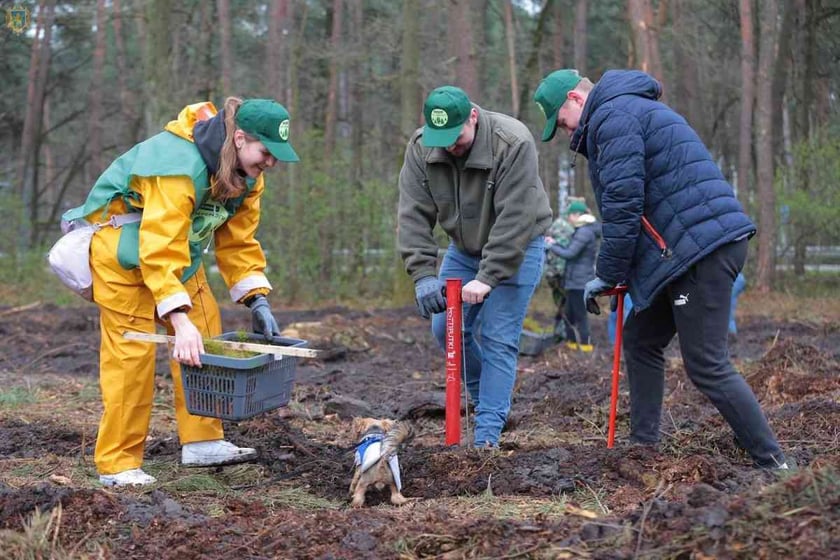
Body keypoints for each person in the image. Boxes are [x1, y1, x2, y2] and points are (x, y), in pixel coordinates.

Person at [534, 69, 789, 469]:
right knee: (640, 339)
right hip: (681, 250)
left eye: (563, 122)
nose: (567, 133)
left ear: (576, 99)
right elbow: (641, 209)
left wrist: (607, 272)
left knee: (706, 364)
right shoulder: (623, 111)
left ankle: (774, 463)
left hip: (700, 249)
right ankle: (643, 448)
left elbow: (624, 205)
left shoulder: (613, 117)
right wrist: (621, 274)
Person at [62, 98, 299, 486]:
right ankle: (118, 463)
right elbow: (157, 247)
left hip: (178, 254)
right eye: (266, 152)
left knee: (204, 331)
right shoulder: (178, 168)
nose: (271, 162)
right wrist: (177, 318)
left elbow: (238, 241)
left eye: (277, 155)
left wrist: (256, 297)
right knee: (131, 358)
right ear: (240, 138)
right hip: (121, 255)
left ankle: (202, 440)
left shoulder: (248, 174)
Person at [398, 85, 553, 449]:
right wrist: (423, 274)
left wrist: (489, 276)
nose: (450, 146)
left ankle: (486, 437)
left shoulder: (512, 142)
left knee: (498, 336)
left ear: (473, 117)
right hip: (464, 249)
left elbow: (516, 217)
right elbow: (413, 214)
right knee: (446, 329)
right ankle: (488, 400)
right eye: (442, 139)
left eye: (457, 137)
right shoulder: (421, 148)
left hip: (519, 245)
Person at [545, 198, 601, 351]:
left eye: (569, 215)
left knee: (580, 315)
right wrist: (555, 243)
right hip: (575, 280)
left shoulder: (584, 231)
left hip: (579, 281)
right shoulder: (584, 230)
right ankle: (571, 345)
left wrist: (550, 245)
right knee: (569, 314)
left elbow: (570, 253)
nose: (568, 218)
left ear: (577, 214)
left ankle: (586, 347)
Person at [542, 211, 575, 342]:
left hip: (552, 273)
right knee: (564, 304)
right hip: (559, 274)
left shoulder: (557, 225)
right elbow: (562, 254)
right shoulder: (565, 227)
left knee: (560, 304)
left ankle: (559, 334)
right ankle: (562, 334)